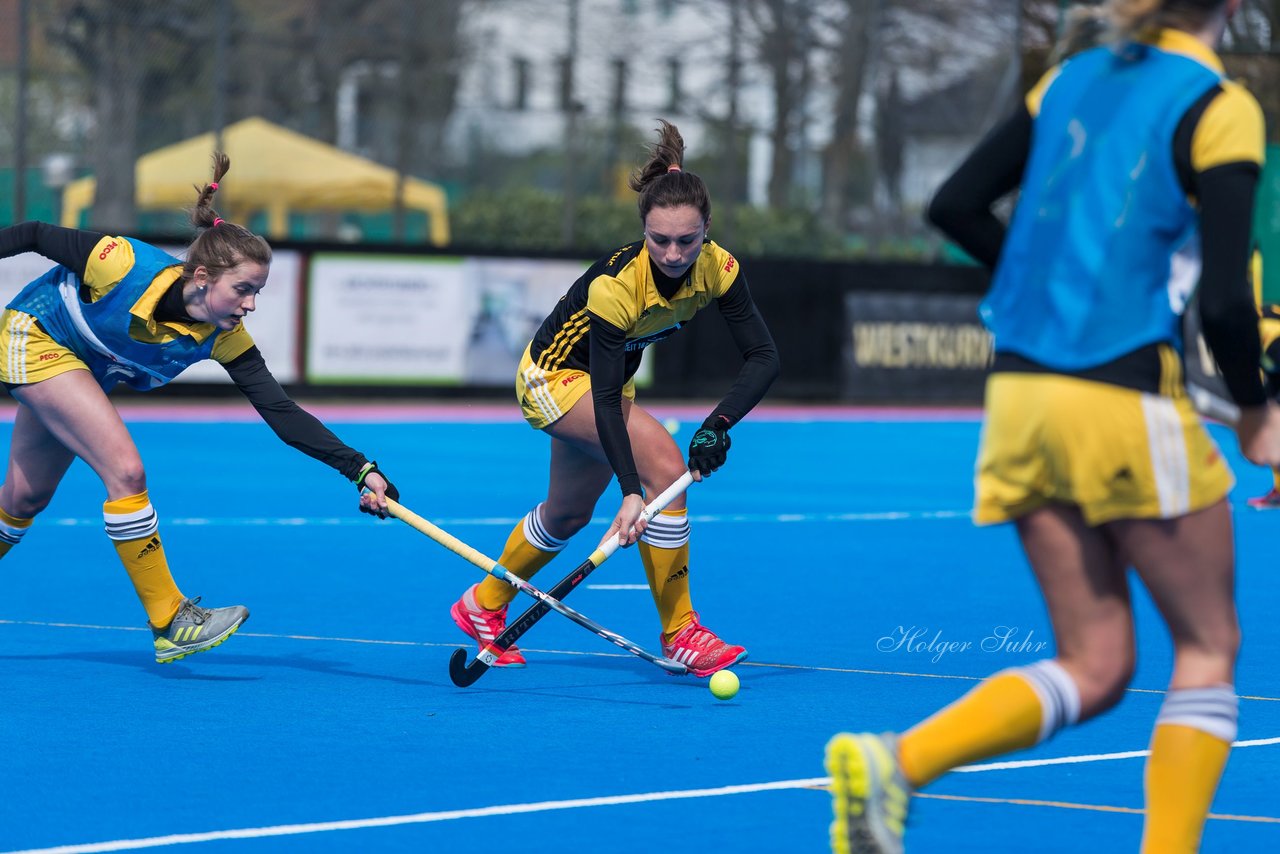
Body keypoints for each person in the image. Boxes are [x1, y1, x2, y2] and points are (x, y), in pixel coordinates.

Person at [825, 2, 1280, 852]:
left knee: (1097, 665)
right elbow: (1224, 300)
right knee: (1210, 644)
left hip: (1021, 398)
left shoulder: (1068, 81)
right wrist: (1258, 416)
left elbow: (955, 204)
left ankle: (896, 761)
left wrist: (1055, 286)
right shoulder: (1220, 106)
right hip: (1119, 398)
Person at [0, 153, 397, 665]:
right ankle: (170, 619)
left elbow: (280, 410)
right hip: (33, 335)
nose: (250, 304)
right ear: (204, 276)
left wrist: (359, 468)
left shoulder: (223, 336)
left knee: (25, 498)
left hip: (81, 368)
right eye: (244, 289)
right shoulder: (119, 262)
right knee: (125, 470)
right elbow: (32, 231)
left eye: (257, 292)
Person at [448, 120, 779, 677]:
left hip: (603, 386)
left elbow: (763, 356)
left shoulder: (720, 270)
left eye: (687, 240)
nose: (673, 253)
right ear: (642, 231)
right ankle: (681, 633)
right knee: (665, 467)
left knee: (569, 513)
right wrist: (631, 491)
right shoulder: (618, 285)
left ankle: (482, 604)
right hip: (552, 378)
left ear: (708, 231)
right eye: (659, 240)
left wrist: (717, 424)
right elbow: (603, 401)